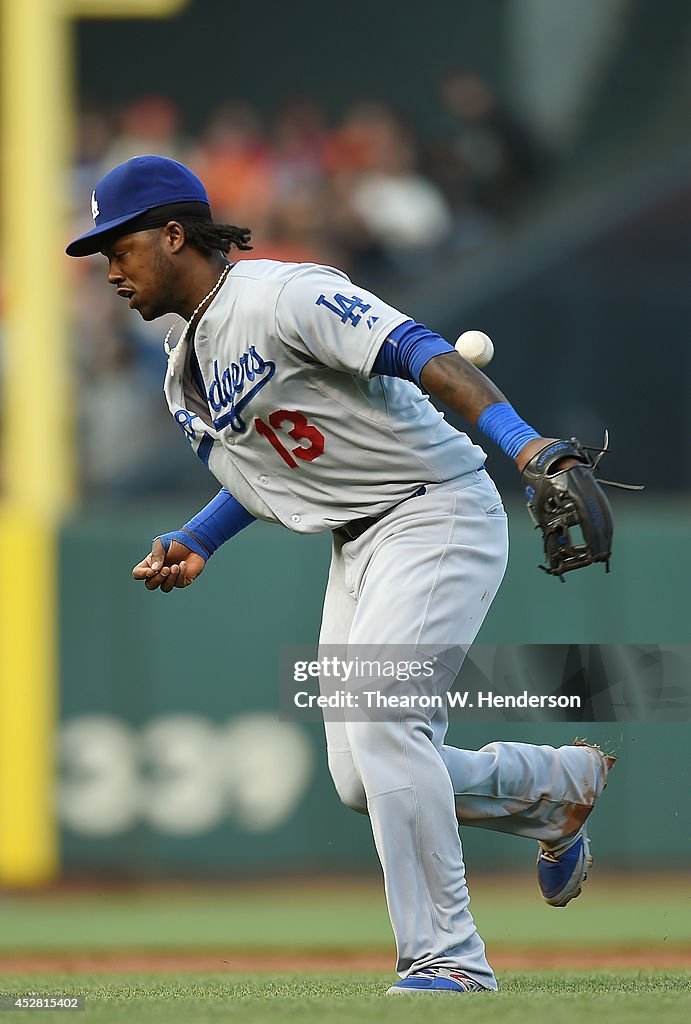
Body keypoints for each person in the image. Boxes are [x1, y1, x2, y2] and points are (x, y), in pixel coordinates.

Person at [67, 155, 614, 996]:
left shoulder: (279, 295)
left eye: (121, 246)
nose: (110, 270)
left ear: (175, 234)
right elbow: (269, 470)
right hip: (356, 546)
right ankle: (551, 790)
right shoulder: (185, 365)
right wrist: (202, 537)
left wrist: (525, 444)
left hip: (433, 510)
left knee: (387, 719)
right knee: (363, 776)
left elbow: (417, 347)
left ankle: (447, 962)